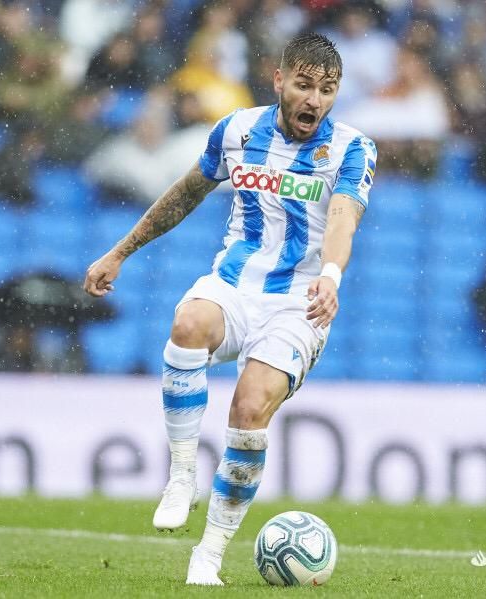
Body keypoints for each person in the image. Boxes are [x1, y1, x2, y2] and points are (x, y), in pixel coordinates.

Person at [84, 33, 376, 585]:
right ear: (280, 81)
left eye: (327, 90)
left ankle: (209, 553)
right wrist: (120, 252)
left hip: (300, 303)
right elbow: (187, 192)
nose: (314, 99)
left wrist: (332, 277)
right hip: (236, 285)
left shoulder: (352, 148)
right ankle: (182, 474)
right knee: (188, 321)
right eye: (304, 85)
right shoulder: (238, 130)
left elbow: (342, 218)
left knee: (248, 410)